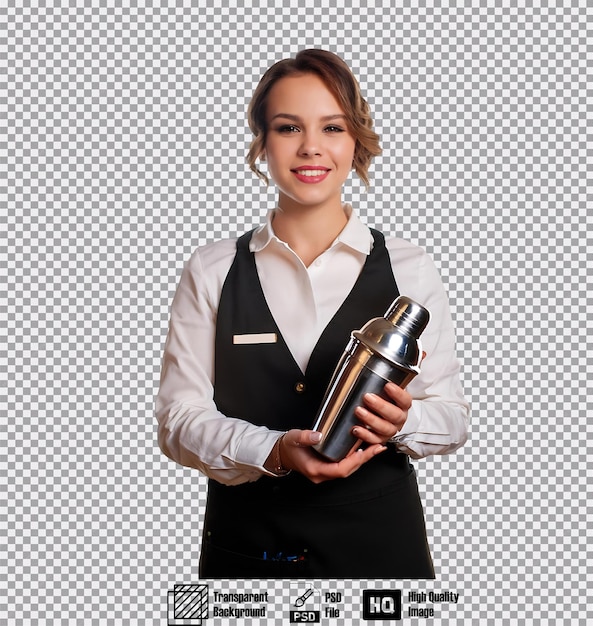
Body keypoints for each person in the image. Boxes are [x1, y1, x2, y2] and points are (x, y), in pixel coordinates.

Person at [156, 49, 469, 579]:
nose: (311, 148)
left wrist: (402, 423)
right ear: (262, 143)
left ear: (355, 142)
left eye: (332, 127)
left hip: (380, 556)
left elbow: (453, 419)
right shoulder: (211, 269)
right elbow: (177, 422)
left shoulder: (410, 269)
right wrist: (274, 450)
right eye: (287, 127)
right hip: (247, 555)